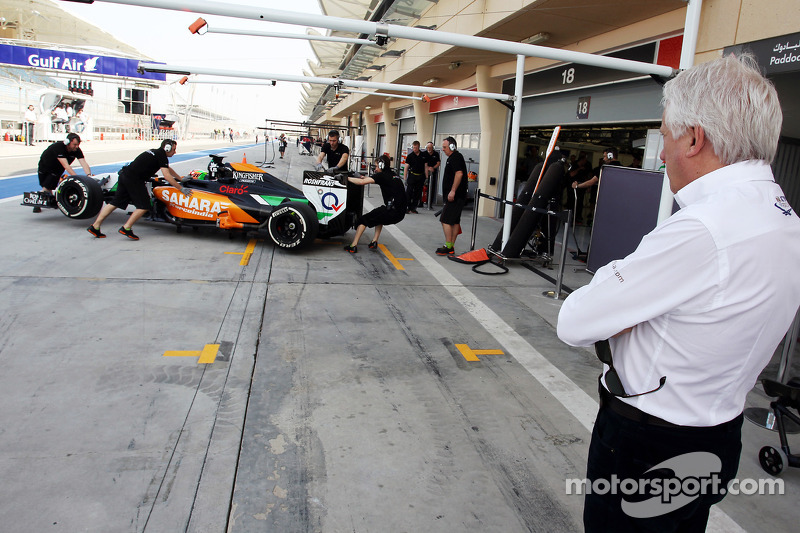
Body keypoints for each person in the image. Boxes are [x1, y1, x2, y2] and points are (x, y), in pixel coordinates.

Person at [557, 54, 800, 533]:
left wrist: (615, 277)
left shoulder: (702, 230)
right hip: (718, 433)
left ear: (695, 137)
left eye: (666, 135)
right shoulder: (785, 221)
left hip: (649, 443)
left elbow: (574, 322)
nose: (662, 153)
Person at [87, 140, 189, 240]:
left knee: (115, 202)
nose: (175, 152)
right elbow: (167, 176)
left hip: (124, 175)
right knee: (144, 206)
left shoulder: (155, 152)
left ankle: (95, 226)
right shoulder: (161, 155)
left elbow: (167, 168)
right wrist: (181, 188)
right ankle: (126, 228)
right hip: (134, 179)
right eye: (174, 149)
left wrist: (180, 178)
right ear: (167, 148)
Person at [343, 154, 406, 253]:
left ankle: (353, 245)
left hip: (392, 212)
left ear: (381, 166)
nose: (375, 169)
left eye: (377, 166)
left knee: (363, 220)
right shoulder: (394, 174)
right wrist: (361, 176)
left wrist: (346, 178)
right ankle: (374, 241)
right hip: (400, 212)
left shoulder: (381, 175)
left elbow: (361, 183)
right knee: (379, 215)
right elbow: (371, 178)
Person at [34, 132, 93, 213]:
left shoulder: (76, 150)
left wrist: (89, 175)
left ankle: (48, 201)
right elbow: (67, 166)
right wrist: (79, 180)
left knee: (49, 186)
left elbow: (83, 163)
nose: (76, 147)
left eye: (78, 145)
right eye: (74, 144)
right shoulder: (59, 148)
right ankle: (37, 202)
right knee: (47, 186)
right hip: (45, 166)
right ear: (68, 142)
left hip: (57, 169)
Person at [436, 136, 467, 256]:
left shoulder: (455, 158)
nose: (443, 150)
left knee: (445, 220)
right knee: (454, 221)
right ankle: (451, 246)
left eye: (444, 147)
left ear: (452, 147)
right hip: (457, 196)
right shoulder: (454, 157)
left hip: (455, 196)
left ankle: (448, 245)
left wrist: (452, 191)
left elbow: (459, 174)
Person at [403, 141, 426, 214]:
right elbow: (406, 167)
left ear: (419, 147)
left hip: (420, 176)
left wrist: (427, 177)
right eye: (413, 147)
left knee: (418, 192)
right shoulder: (410, 156)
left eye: (416, 147)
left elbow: (426, 166)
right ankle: (407, 207)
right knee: (409, 192)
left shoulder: (423, 155)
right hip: (412, 176)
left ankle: (413, 208)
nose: (414, 149)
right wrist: (405, 178)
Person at [424, 141, 441, 209]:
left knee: (431, 188)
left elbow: (438, 163)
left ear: (432, 148)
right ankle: (421, 202)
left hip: (433, 172)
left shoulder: (436, 154)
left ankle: (430, 203)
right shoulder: (424, 153)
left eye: (430, 147)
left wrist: (433, 168)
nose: (429, 149)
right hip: (425, 172)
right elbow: (423, 163)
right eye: (428, 147)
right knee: (423, 188)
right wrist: (427, 168)